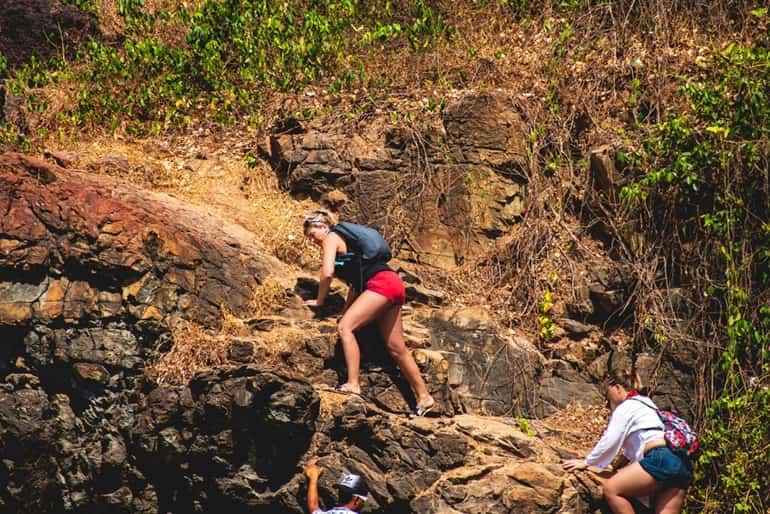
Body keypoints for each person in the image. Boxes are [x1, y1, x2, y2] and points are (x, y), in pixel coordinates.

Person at [302, 210, 435, 416]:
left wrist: (320, 301)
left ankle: (353, 384)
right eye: (308, 236)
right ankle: (424, 397)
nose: (312, 240)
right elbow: (356, 286)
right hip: (393, 283)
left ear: (324, 227)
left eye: (312, 234)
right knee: (396, 348)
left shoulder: (331, 237)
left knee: (345, 328)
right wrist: (347, 311)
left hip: (380, 285)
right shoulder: (350, 247)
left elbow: (327, 272)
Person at [562, 369, 692, 514]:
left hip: (660, 458)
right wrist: (617, 465)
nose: (607, 397)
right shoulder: (647, 404)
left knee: (612, 489)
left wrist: (587, 462)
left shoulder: (626, 406)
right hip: (681, 463)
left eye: (607, 391)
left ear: (617, 388)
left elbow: (610, 439)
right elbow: (637, 444)